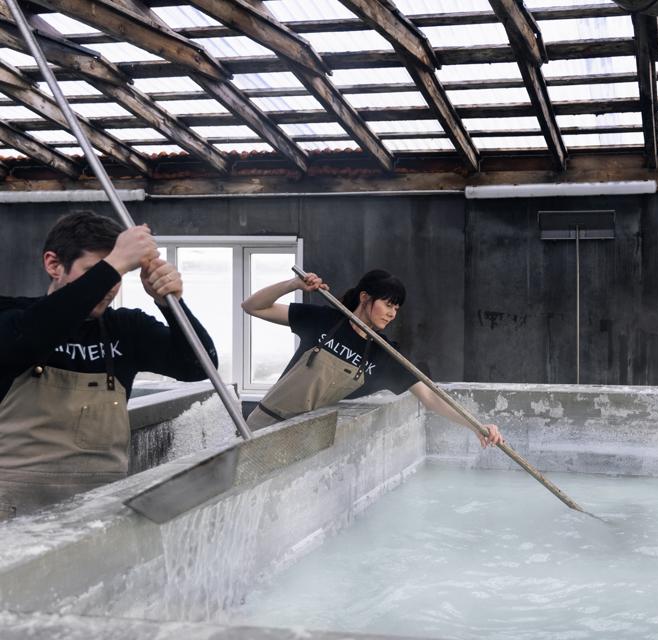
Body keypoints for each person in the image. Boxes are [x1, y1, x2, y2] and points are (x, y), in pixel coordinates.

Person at [0, 211, 218, 520]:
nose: (108, 286)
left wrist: (171, 304)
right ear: (53, 264)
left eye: (117, 275)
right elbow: (29, 339)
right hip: (15, 511)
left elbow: (199, 366)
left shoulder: (126, 329)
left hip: (99, 509)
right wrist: (115, 262)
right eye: (95, 272)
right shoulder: (13, 317)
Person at [242, 269, 503, 447]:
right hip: (262, 426)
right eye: (388, 304)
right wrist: (292, 285)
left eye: (396, 308)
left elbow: (431, 397)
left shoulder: (384, 354)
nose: (392, 314)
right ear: (365, 298)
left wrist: (477, 426)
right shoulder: (324, 320)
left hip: (303, 439)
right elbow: (252, 306)